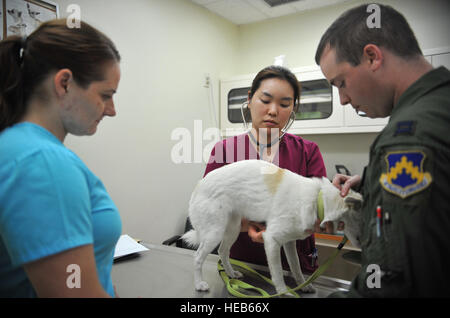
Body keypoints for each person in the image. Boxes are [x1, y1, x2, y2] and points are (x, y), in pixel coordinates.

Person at [315, 3, 450, 297]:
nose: (342, 100)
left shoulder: (408, 137)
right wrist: (370, 179)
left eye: (340, 83)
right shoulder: (439, 104)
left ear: (372, 57)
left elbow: (395, 283)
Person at [0, 19, 122, 297]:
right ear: (64, 83)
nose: (112, 110)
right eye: (106, 95)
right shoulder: (42, 162)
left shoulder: (16, 146)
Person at [204, 65, 327, 275]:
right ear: (250, 99)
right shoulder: (224, 151)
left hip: (295, 270)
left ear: (293, 108)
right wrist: (246, 223)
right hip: (244, 267)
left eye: (284, 104)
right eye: (266, 100)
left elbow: (320, 215)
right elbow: (210, 213)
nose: (273, 111)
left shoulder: (308, 152)